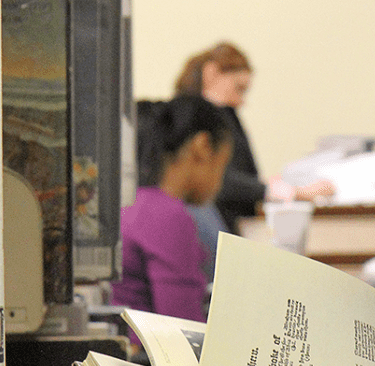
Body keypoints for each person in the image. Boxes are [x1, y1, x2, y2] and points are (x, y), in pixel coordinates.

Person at [174, 41, 334, 236]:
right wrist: (281, 190)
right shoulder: (194, 118)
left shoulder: (222, 114)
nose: (241, 100)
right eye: (238, 88)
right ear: (211, 73)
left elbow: (237, 173)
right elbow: (218, 180)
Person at [110, 96, 232, 345]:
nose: (220, 183)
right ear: (202, 147)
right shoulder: (168, 216)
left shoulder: (132, 204)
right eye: (222, 166)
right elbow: (188, 335)